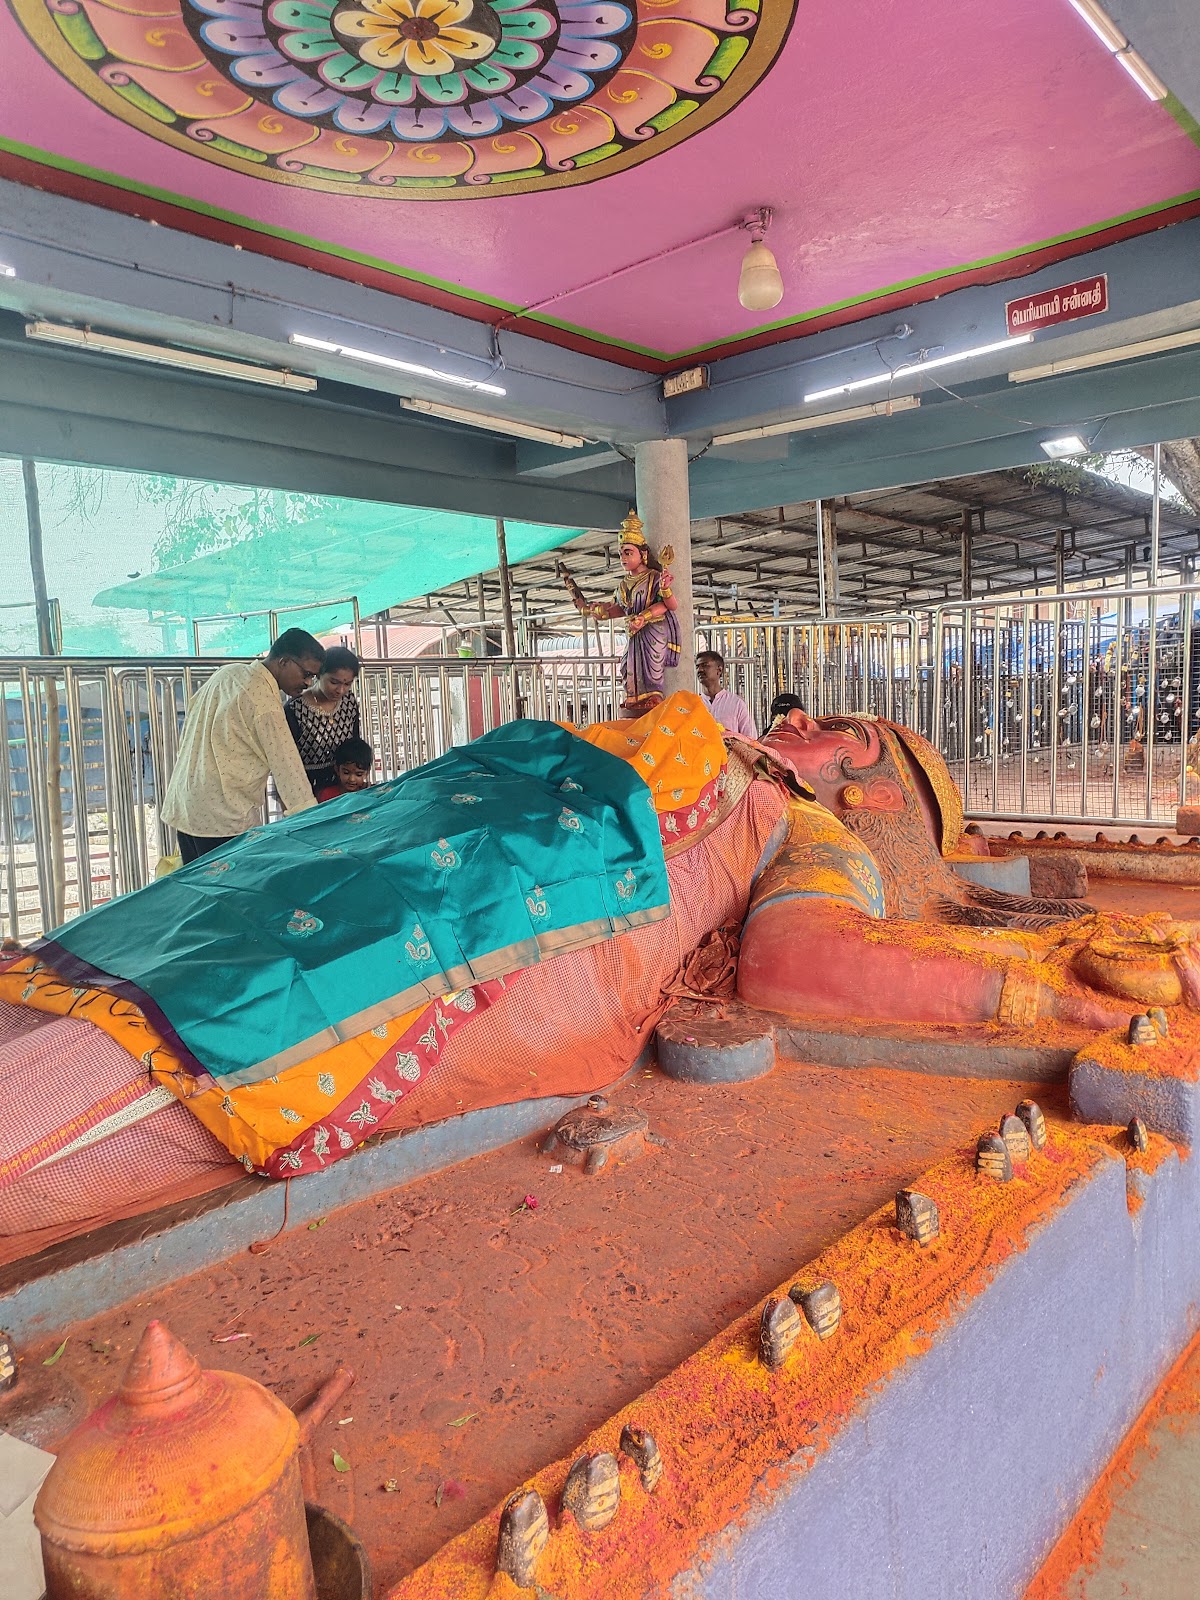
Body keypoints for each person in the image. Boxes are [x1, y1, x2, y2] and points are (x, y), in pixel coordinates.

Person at [160, 629, 325, 863]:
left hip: (187, 806)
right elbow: (289, 771)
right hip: (223, 819)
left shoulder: (228, 673)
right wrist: (316, 831)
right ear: (284, 661)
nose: (308, 683)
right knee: (229, 895)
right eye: (306, 674)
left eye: (314, 678)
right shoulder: (265, 704)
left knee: (201, 892)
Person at [558, 511, 680, 713]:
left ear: (643, 554)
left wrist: (644, 616)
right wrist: (597, 611)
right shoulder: (623, 584)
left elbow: (669, 605)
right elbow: (619, 608)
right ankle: (634, 700)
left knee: (651, 670)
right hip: (633, 633)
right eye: (621, 553)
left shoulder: (653, 577)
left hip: (652, 632)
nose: (623, 557)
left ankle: (651, 700)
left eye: (628, 552)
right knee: (627, 667)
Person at [285, 644, 362, 796]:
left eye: (347, 684)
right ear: (319, 674)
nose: (340, 690)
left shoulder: (349, 701)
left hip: (343, 787)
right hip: (306, 789)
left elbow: (354, 745)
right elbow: (286, 762)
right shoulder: (295, 709)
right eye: (334, 682)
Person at [696, 650, 757, 739]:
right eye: (697, 666)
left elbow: (751, 739)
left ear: (719, 670)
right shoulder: (693, 704)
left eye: (705, 665)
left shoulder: (736, 704)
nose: (700, 670)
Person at [316, 737, 374, 802]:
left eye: (358, 774)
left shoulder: (371, 794)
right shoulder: (326, 795)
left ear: (367, 772)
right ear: (337, 769)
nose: (352, 779)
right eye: (346, 772)